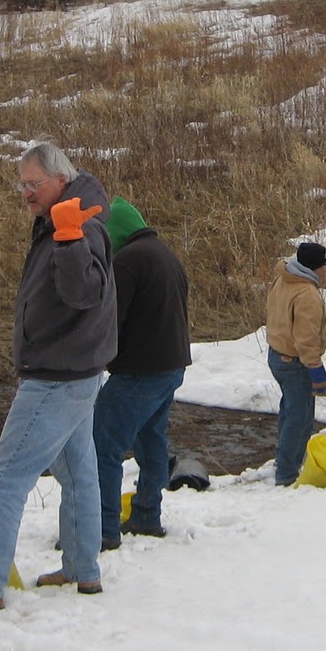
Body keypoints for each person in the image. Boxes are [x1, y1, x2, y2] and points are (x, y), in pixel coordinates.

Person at [0, 142, 117, 612]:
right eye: (22, 184)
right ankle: (82, 569)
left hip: (58, 375)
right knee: (78, 473)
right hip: (75, 370)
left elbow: (84, 292)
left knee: (6, 475)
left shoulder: (78, 223)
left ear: (60, 179)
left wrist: (70, 236)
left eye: (33, 184)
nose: (26, 193)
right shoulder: (61, 218)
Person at [93, 196, 192, 545]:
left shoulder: (127, 261)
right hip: (172, 366)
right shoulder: (166, 255)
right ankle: (147, 515)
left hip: (139, 371)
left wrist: (90, 357)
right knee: (151, 442)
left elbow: (109, 322)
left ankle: (101, 530)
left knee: (101, 445)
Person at [265, 241, 326, 487]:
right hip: (295, 363)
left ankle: (283, 460)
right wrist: (316, 369)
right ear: (315, 267)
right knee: (300, 418)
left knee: (290, 410)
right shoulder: (307, 295)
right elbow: (306, 338)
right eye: (325, 264)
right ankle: (287, 474)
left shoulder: (284, 278)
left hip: (277, 354)